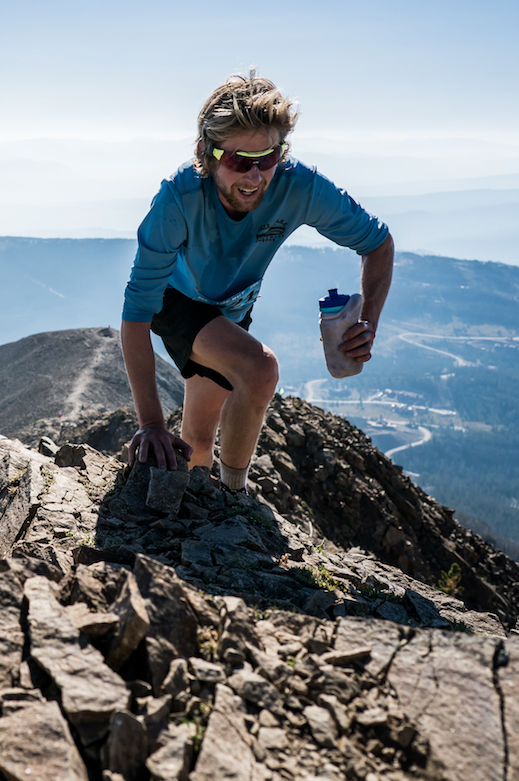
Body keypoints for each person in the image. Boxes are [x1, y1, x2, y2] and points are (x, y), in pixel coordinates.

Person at [121, 70, 394, 491]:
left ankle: (197, 504)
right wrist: (153, 424)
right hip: (174, 299)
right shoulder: (177, 200)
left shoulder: (299, 186)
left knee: (198, 436)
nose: (254, 177)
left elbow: (378, 244)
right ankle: (234, 498)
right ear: (205, 153)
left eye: (267, 159)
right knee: (260, 369)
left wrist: (368, 321)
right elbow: (137, 312)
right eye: (237, 161)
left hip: (233, 306)